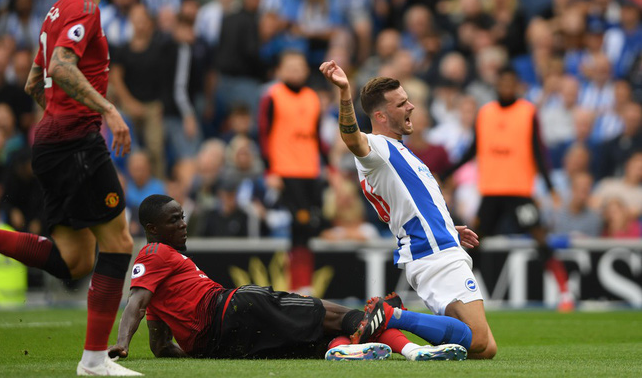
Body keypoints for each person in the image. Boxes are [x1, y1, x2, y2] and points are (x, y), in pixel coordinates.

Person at [0, 0, 139, 376]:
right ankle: (94, 361)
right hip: (75, 144)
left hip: (51, 143)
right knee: (118, 242)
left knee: (73, 260)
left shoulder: (53, 11)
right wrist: (107, 111)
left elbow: (36, 81)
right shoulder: (84, 8)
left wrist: (58, 117)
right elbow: (58, 67)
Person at [108, 194, 469, 363]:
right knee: (339, 315)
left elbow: (159, 346)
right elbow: (134, 303)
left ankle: (344, 350)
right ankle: (409, 343)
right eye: (174, 220)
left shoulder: (161, 288)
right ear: (152, 229)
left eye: (182, 217)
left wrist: (197, 356)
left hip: (223, 348)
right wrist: (122, 343)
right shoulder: (155, 254)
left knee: (318, 342)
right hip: (236, 307)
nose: (183, 224)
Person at [319, 60, 496, 359]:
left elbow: (409, 204)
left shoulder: (400, 151)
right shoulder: (376, 148)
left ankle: (362, 340)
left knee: (483, 348)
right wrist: (345, 92)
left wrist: (448, 227)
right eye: (402, 104)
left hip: (437, 246)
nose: (412, 107)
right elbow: (351, 137)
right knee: (478, 341)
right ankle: (391, 316)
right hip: (434, 253)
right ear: (380, 115)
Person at [443, 67, 574, 312]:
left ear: (517, 85)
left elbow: (538, 150)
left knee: (539, 238)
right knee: (475, 243)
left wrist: (550, 186)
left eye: (510, 83)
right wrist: (448, 173)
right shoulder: (486, 114)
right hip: (491, 191)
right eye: (502, 83)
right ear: (497, 86)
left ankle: (565, 293)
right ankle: (462, 296)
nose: (506, 88)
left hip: (519, 191)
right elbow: (473, 150)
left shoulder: (527, 112)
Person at [258, 51, 324, 293]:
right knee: (292, 227)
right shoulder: (272, 96)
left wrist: (330, 167)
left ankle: (305, 284)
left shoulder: (312, 98)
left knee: (309, 227)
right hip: (284, 171)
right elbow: (263, 133)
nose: (296, 71)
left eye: (300, 66)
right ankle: (293, 285)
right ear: (281, 70)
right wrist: (270, 170)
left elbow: (317, 137)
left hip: (310, 171)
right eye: (291, 66)